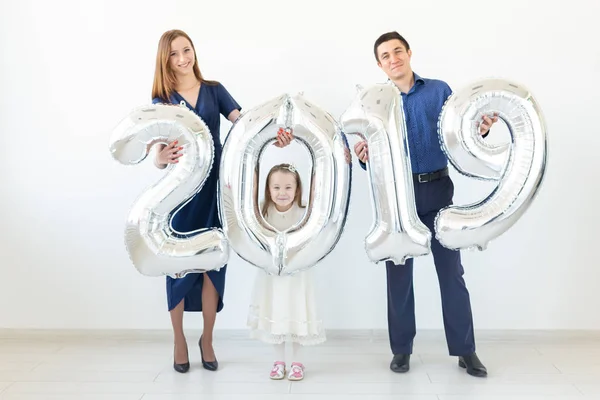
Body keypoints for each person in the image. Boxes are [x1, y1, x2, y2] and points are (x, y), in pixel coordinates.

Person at [353, 31, 498, 378]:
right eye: (385, 56)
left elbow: (459, 134)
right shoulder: (375, 102)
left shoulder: (439, 91)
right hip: (397, 199)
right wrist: (363, 157)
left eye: (397, 51)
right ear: (379, 65)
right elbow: (367, 149)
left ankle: (466, 351)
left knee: (452, 274)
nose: (393, 59)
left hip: (437, 192)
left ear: (408, 53)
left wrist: (483, 129)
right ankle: (401, 350)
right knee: (398, 276)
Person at [150, 29, 294, 374]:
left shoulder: (214, 91)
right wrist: (162, 156)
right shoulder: (162, 101)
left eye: (187, 50)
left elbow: (244, 124)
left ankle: (208, 339)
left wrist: (276, 134)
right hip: (180, 195)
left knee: (214, 264)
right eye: (174, 54)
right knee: (178, 266)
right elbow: (155, 153)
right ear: (164, 60)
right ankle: (179, 340)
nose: (184, 58)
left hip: (215, 191)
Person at [246, 163, 325, 381]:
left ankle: (298, 362)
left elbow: (318, 191)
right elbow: (250, 191)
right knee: (277, 314)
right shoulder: (262, 211)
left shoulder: (304, 212)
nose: (282, 193)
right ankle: (279, 361)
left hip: (298, 276)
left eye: (288, 187)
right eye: (277, 187)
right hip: (273, 277)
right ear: (268, 189)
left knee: (297, 314)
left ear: (297, 189)